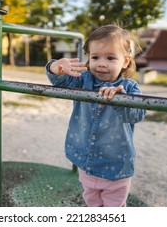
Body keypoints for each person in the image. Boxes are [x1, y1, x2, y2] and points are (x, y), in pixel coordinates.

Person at [45, 24, 146, 207]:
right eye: (95, 57)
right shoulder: (83, 79)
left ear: (125, 61)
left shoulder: (129, 87)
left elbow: (138, 114)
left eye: (110, 58)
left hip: (114, 165)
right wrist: (55, 67)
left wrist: (121, 100)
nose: (101, 63)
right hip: (86, 160)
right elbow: (61, 83)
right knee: (90, 199)